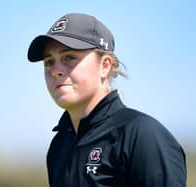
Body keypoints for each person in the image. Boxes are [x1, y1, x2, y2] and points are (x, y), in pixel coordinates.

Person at [27, 13, 187, 187]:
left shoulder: (142, 135)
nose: (55, 70)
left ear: (105, 65)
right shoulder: (59, 146)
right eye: (49, 62)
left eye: (69, 57)